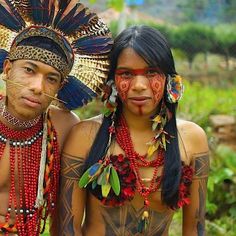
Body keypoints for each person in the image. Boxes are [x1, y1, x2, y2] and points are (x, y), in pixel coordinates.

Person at [59, 25, 209, 235]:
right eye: (126, 73)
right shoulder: (85, 136)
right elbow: (67, 228)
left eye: (151, 72)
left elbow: (195, 229)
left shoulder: (192, 139)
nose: (139, 85)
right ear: (111, 81)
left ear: (170, 79)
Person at [0, 0, 112, 235]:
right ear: (8, 69)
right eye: (29, 70)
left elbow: (66, 217)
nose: (38, 87)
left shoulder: (64, 127)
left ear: (60, 86)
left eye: (51, 78)